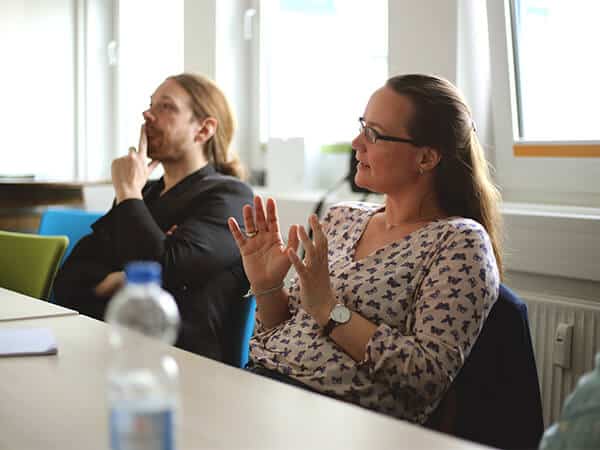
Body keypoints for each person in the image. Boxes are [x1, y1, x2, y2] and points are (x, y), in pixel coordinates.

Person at [227, 74, 502, 424]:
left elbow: (426, 375)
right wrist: (267, 287)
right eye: (362, 126)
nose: (356, 142)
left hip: (339, 421)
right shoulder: (343, 218)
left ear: (427, 158)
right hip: (261, 387)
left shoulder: (458, 242)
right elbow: (284, 329)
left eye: (374, 134)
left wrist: (329, 309)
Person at [54, 73, 253, 363]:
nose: (148, 114)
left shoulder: (230, 196)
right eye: (150, 105)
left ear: (203, 129)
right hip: (115, 347)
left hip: (185, 363)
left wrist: (127, 193)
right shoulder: (143, 193)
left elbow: (162, 267)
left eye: (166, 107)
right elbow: (69, 279)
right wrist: (111, 281)